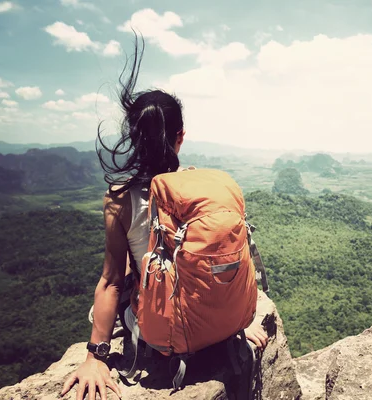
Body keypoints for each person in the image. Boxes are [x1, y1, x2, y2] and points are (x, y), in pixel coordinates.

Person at [61, 34, 268, 400]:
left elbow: (110, 282)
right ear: (180, 138)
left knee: (123, 278)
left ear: (132, 138)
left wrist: (96, 358)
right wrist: (233, 326)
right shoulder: (201, 187)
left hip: (166, 334)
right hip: (217, 322)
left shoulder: (119, 199)